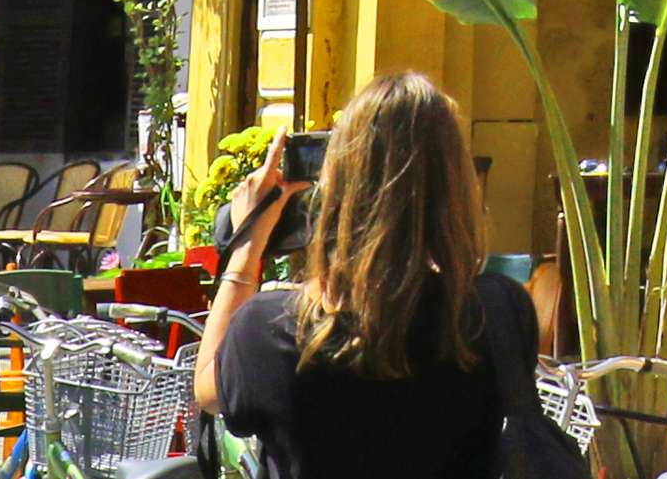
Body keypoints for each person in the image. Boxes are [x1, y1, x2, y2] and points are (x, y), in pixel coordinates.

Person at [202, 74, 581, 479]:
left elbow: (207, 391)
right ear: (456, 185)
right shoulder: (498, 312)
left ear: (337, 188)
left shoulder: (269, 328)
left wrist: (246, 249)